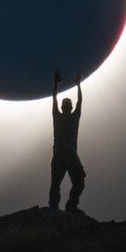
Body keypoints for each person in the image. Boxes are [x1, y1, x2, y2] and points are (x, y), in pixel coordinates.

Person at [49, 71, 85, 211]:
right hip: (63, 154)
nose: (68, 105)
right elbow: (54, 100)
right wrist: (77, 85)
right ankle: (55, 206)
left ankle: (70, 205)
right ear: (65, 107)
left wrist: (78, 85)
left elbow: (79, 102)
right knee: (56, 184)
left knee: (79, 181)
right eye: (67, 103)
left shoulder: (72, 117)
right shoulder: (59, 117)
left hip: (68, 154)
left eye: (68, 103)